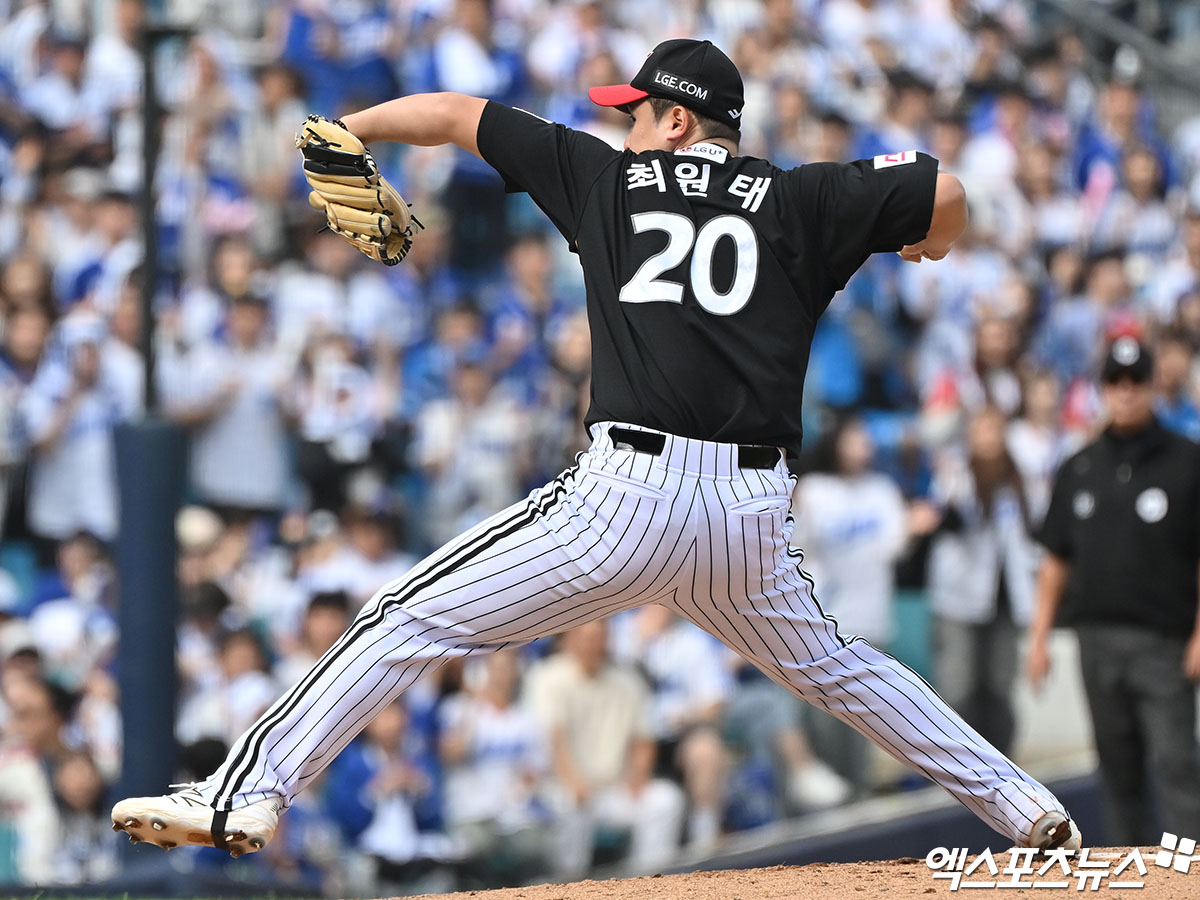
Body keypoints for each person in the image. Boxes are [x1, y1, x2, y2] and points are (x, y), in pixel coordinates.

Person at [113, 38, 1080, 860]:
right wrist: (931, 243)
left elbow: (455, 113)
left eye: (639, 110)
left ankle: (245, 792)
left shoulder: (609, 177)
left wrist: (350, 132)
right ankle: (1022, 805)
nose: (625, 125)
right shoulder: (801, 200)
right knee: (841, 670)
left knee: (409, 618)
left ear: (677, 122)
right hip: (749, 518)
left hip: (628, 497)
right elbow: (945, 190)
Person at [1027, 336, 1200, 845]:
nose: (1126, 393)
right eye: (1115, 383)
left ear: (1152, 387)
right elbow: (1056, 558)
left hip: (1163, 641)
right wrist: (1039, 637)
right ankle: (1136, 872)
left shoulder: (1187, 462)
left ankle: (1191, 872)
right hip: (1096, 639)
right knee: (1116, 765)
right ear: (1103, 389)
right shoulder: (1079, 466)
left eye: (1136, 382)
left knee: (1175, 762)